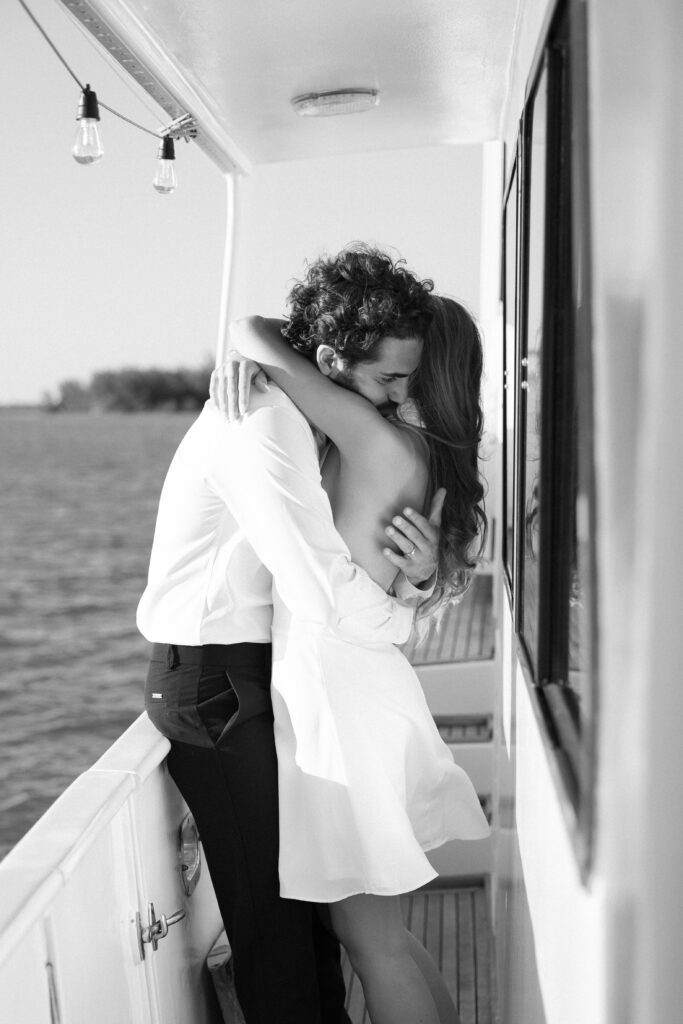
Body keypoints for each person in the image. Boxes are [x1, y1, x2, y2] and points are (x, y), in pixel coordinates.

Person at [137, 246, 444, 1024]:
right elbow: (319, 592)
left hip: (256, 680)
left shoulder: (300, 411)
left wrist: (419, 577)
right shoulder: (266, 422)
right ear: (332, 358)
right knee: (276, 941)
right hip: (215, 689)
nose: (393, 402)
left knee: (311, 929)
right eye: (384, 382)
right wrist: (409, 608)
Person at [212, 258, 491, 1024]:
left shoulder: (373, 437)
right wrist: (418, 586)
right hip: (367, 690)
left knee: (373, 946)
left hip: (341, 704)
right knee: (388, 938)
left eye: (408, 372)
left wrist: (245, 344)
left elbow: (258, 336)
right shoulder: (427, 452)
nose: (393, 386)